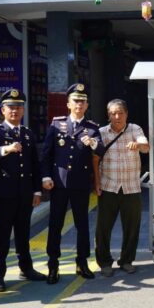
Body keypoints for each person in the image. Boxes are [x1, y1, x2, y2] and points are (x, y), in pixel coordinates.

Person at [0, 89, 45, 292]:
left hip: (25, 193)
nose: (15, 110)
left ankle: (26, 269)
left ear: (23, 110)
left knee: (23, 233)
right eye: (10, 107)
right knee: (3, 235)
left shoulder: (27, 133)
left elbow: (34, 164)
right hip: (5, 193)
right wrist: (6, 149)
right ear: (3, 110)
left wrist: (37, 191)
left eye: (18, 107)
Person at [41, 83, 104, 282]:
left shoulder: (92, 127)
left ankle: (82, 262)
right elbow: (46, 154)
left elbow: (101, 150)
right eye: (75, 101)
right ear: (68, 104)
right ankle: (53, 264)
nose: (79, 104)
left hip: (80, 183)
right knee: (55, 224)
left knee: (82, 225)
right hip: (59, 183)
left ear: (87, 105)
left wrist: (92, 143)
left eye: (83, 101)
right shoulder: (56, 124)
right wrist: (46, 176)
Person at [93, 99, 149, 277]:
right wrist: (97, 183)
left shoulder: (135, 129)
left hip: (131, 187)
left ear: (126, 114)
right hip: (108, 187)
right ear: (108, 115)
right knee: (103, 228)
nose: (117, 117)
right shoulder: (101, 133)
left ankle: (126, 260)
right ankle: (104, 262)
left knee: (132, 228)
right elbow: (95, 160)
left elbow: (146, 147)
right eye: (113, 113)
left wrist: (138, 145)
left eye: (120, 113)